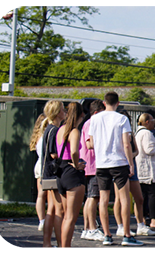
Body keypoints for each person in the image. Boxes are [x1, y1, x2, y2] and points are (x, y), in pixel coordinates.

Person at [87, 92, 142, 246]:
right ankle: (126, 234)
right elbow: (126, 143)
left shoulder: (95, 119)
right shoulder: (122, 119)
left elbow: (91, 142)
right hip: (119, 162)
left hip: (102, 163)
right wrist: (130, 163)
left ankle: (107, 235)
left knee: (103, 200)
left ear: (104, 103)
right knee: (124, 199)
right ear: (118, 103)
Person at [55, 102, 87, 274]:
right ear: (81, 115)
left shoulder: (61, 129)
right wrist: (77, 165)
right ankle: (65, 253)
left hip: (61, 173)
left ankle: (62, 248)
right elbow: (74, 151)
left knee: (64, 214)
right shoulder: (74, 131)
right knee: (70, 218)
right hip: (72, 173)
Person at [112, 110, 152, 237]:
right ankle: (120, 226)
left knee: (139, 198)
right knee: (120, 199)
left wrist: (130, 156)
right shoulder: (114, 135)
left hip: (131, 166)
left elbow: (136, 150)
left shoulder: (131, 134)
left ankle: (140, 224)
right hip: (119, 166)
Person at [40, 100, 65, 251]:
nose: (65, 112)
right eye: (63, 110)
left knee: (51, 210)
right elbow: (53, 153)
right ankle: (60, 242)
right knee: (59, 210)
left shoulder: (48, 129)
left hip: (47, 173)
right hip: (53, 174)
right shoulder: (55, 130)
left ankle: (47, 242)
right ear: (57, 113)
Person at [80, 100, 106, 242]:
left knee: (90, 197)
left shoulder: (88, 123)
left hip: (90, 164)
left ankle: (87, 228)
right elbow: (90, 143)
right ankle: (91, 229)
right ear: (96, 113)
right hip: (93, 164)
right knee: (93, 197)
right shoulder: (91, 123)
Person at [29, 114, 48, 232]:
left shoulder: (37, 136)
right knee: (49, 196)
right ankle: (47, 219)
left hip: (39, 165)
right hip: (45, 165)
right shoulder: (47, 135)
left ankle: (42, 220)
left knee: (40, 195)